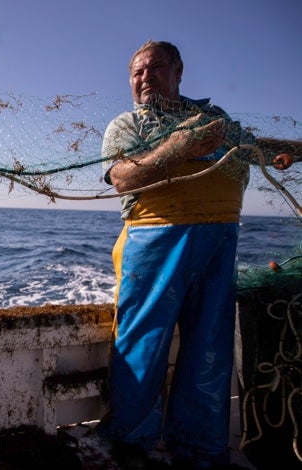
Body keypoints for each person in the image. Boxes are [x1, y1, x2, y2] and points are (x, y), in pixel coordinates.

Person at [96, 40, 256, 469]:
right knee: (143, 343)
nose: (145, 77)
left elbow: (251, 150)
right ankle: (131, 443)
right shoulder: (124, 125)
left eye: (156, 68)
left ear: (179, 71)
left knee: (211, 346)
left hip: (219, 245)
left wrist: (278, 155)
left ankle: (201, 449)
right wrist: (181, 145)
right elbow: (124, 178)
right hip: (153, 242)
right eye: (137, 72)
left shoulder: (216, 118)